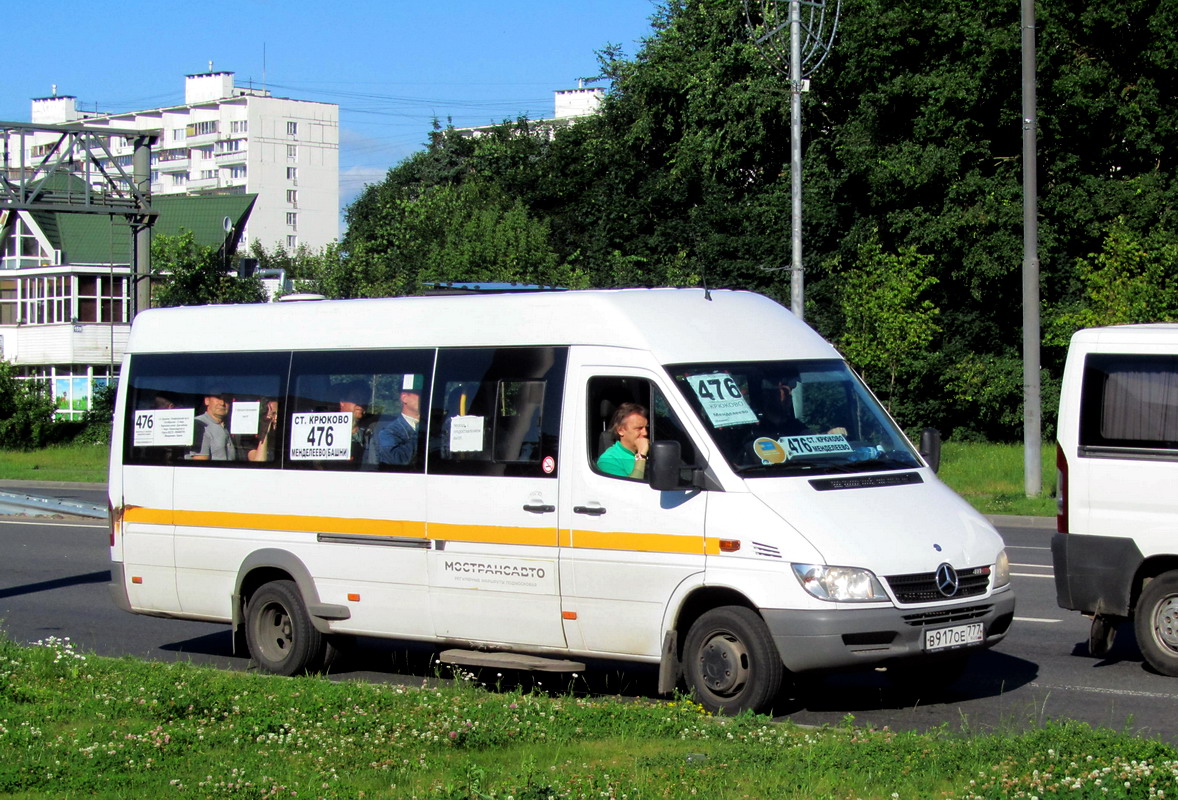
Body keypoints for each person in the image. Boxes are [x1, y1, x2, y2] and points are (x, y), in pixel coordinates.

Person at [370, 375, 423, 466]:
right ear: (404, 397)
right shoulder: (389, 432)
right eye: (420, 394)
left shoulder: (438, 426)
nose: (426, 398)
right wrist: (423, 435)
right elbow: (397, 461)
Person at [596, 402, 650, 479]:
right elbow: (631, 488)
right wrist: (641, 455)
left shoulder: (652, 451)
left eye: (646, 428)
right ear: (620, 430)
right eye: (639, 428)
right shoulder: (609, 460)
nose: (645, 433)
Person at [190, 390, 237, 461]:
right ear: (207, 401)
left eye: (226, 399)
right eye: (218, 398)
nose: (222, 403)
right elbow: (200, 465)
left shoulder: (229, 426)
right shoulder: (199, 425)